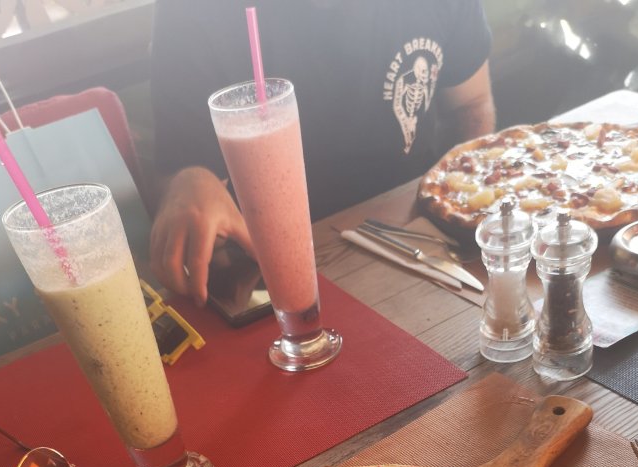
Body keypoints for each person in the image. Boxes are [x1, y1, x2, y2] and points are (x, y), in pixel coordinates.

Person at [150, 0, 495, 305]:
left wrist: (468, 203)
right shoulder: (192, 10)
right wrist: (187, 183)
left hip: (425, 242)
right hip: (272, 277)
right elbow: (180, 176)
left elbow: (472, 104)